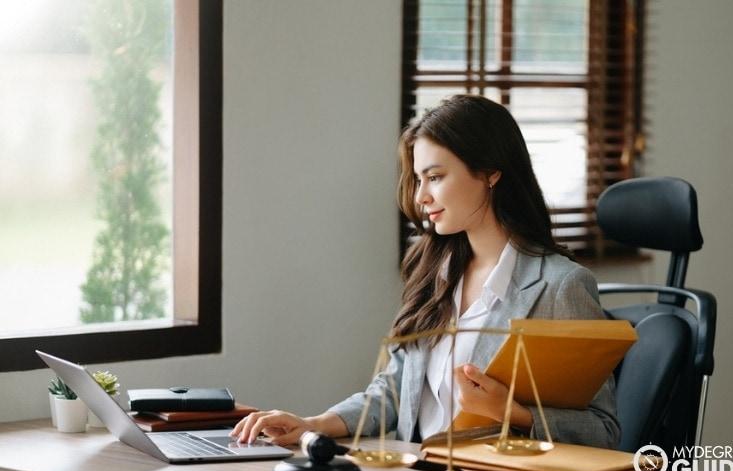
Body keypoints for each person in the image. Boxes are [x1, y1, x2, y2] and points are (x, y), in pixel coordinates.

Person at [231, 95, 620, 449]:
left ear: (490, 173)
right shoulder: (434, 270)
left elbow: (604, 431)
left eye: (435, 177)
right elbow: (397, 390)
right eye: (419, 180)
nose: (420, 197)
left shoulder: (559, 286)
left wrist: (512, 412)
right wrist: (314, 423)